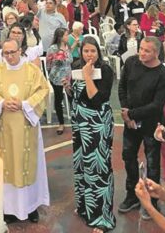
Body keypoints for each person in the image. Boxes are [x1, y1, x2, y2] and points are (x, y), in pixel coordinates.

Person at [0, 39, 51, 223]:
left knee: (26, 165)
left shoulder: (32, 70)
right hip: (4, 128)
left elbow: (43, 90)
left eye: (13, 52)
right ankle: (10, 209)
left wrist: (25, 104)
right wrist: (1, 102)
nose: (10, 56)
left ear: (20, 51)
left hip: (26, 127)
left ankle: (30, 207)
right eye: (6, 53)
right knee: (7, 166)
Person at [117, 37, 165, 216]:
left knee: (153, 163)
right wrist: (126, 111)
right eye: (140, 48)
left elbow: (157, 105)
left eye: (147, 51)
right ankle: (132, 195)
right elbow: (122, 87)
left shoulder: (163, 75)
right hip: (130, 122)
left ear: (156, 53)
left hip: (151, 124)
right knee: (128, 156)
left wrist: (131, 114)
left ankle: (153, 201)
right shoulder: (132, 62)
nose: (142, 53)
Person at [69, 39, 116, 232]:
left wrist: (88, 77)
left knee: (98, 167)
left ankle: (102, 218)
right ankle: (86, 208)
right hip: (80, 123)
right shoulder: (76, 67)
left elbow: (97, 100)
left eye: (93, 51)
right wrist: (69, 88)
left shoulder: (105, 71)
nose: (89, 55)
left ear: (98, 52)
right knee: (81, 165)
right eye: (86, 51)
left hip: (97, 124)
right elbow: (78, 96)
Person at [45, 28, 71, 134]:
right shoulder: (53, 48)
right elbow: (48, 64)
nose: (67, 37)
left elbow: (70, 60)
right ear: (60, 37)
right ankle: (61, 123)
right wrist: (55, 73)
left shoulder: (67, 47)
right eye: (65, 35)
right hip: (57, 78)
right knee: (58, 99)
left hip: (68, 76)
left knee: (71, 97)